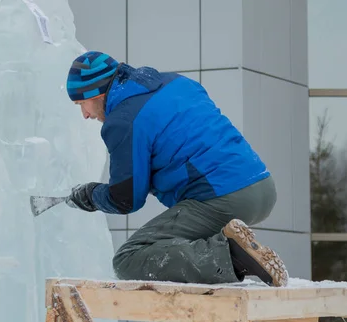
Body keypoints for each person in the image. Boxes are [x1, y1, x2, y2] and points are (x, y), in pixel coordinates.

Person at [64, 50, 288, 287]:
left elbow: (125, 199)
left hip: (225, 197)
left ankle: (232, 256)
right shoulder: (177, 82)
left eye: (82, 104)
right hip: (262, 187)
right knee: (173, 243)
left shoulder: (123, 120)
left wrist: (90, 195)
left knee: (128, 258)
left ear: (97, 92)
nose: (85, 115)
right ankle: (232, 248)